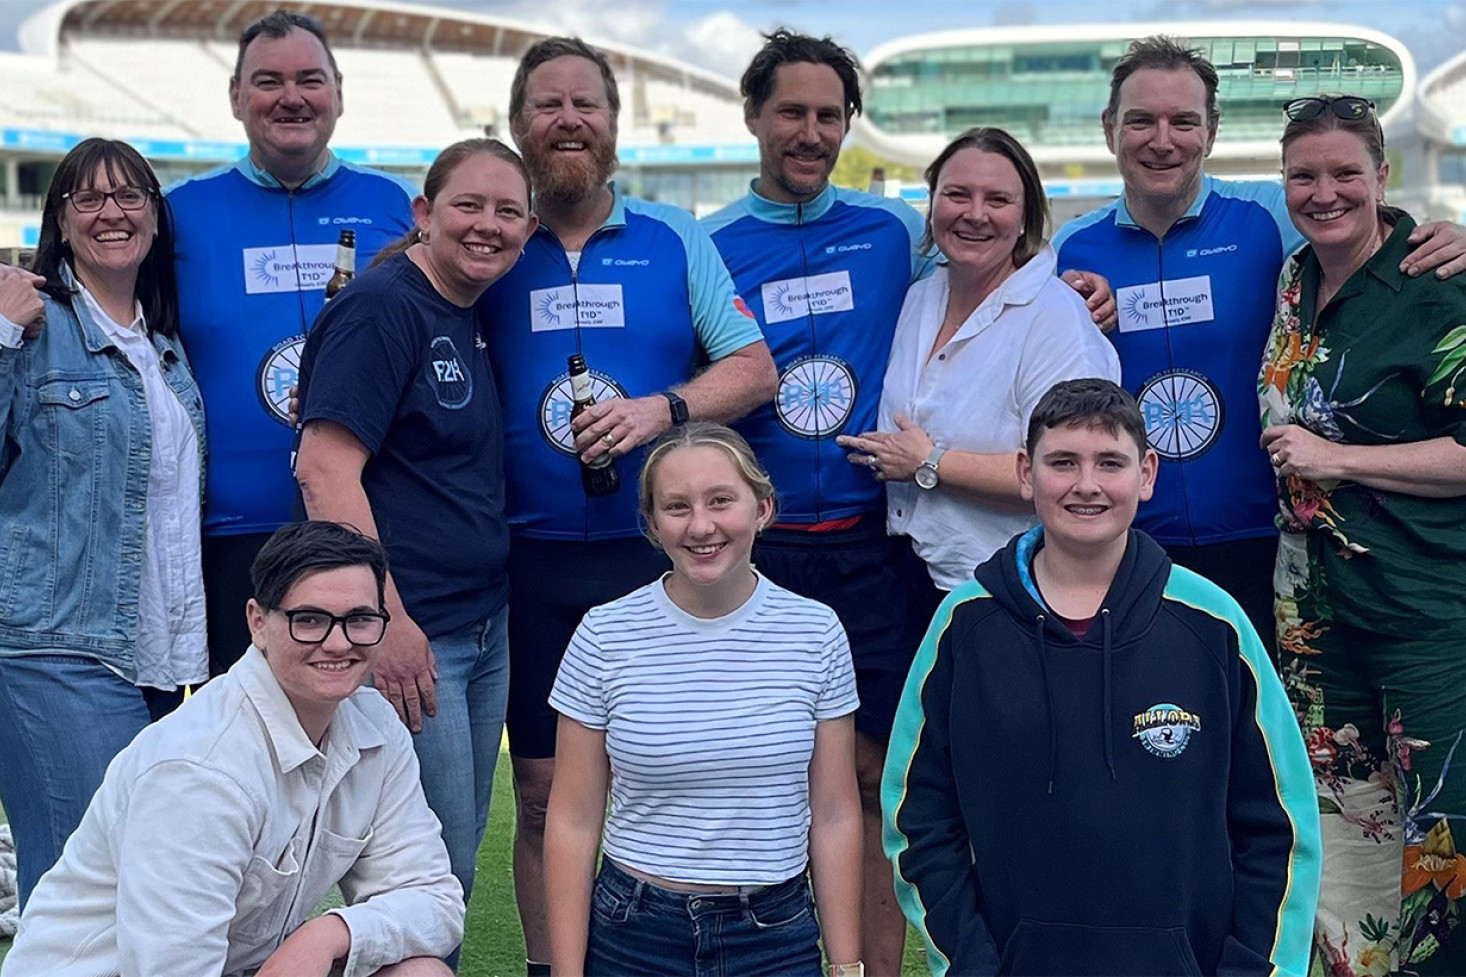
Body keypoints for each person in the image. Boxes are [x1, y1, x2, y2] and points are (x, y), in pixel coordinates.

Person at [702, 34, 1119, 974]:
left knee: (893, 781)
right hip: (770, 557)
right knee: (767, 781)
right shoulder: (734, 246)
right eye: (790, 112)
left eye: (826, 114)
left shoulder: (888, 237)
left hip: (888, 563)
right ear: (755, 116)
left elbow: (1062, 418)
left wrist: (1083, 290)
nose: (808, 131)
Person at [473, 36, 778, 973]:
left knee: (676, 778)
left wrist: (664, 408)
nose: (568, 120)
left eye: (587, 105)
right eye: (548, 105)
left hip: (658, 559)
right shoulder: (491, 239)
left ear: (613, 123)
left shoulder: (671, 236)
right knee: (537, 791)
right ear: (519, 123)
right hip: (529, 557)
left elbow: (756, 368)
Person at [883, 378, 1320, 977]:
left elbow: (1280, 824)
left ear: (1146, 473)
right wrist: (971, 963)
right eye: (1062, 462)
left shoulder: (1214, 625)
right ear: (1024, 472)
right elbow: (917, 815)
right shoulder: (964, 626)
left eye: (1109, 463)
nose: (1085, 484)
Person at [1051, 35, 1466, 651]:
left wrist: (1456, 236)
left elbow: (1355, 218)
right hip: (1130, 542)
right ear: (1110, 128)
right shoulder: (1072, 249)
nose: (1162, 140)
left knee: (1260, 731)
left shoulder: (1270, 216)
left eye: (1183, 122)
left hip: (1268, 543)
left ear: (1211, 132)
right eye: (1141, 120)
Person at [1, 521, 462, 977]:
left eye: (359, 619)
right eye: (310, 620)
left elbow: (436, 900)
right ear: (258, 623)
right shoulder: (199, 768)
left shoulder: (375, 726)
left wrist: (329, 933)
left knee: (420, 973)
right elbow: (171, 969)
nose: (337, 642)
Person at [293, 138, 534, 931]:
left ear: (528, 229)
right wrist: (386, 618)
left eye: (508, 211)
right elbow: (323, 471)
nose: (487, 226)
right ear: (426, 213)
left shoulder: (463, 309)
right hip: (417, 631)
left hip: (479, 620)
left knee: (446, 864)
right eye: (469, 205)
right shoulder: (384, 306)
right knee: (420, 875)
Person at [1259, 94, 1466, 976]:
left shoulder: (1439, 282)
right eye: (1303, 175)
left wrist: (1341, 460)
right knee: (1340, 825)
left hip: (1421, 608)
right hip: (1311, 615)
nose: (1324, 191)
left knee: (1441, 836)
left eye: (1346, 172)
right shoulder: (1295, 278)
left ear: (1384, 177)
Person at [544, 422, 861, 977]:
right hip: (635, 933)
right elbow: (572, 818)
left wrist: (847, 964)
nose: (701, 526)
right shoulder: (604, 634)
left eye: (721, 501)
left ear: (762, 507)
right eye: (676, 507)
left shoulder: (817, 632)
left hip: (775, 935)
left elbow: (834, 813)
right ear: (652, 524)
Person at [167, 9, 414, 675]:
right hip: (233, 536)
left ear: (338, 91)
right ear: (237, 97)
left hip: (371, 523)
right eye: (268, 80)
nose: (291, 97)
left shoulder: (392, 203)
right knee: (249, 756)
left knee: (369, 757)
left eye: (310, 79)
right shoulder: (180, 213)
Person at [0, 138, 206, 911]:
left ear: (155, 214)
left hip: (154, 658)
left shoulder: (163, 346)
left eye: (129, 196)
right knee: (80, 895)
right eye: (87, 198)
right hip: (56, 645)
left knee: (128, 888)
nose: (110, 212)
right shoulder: (36, 321)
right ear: (62, 218)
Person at [839, 127, 1119, 599]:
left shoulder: (1057, 317)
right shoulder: (919, 298)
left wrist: (929, 462)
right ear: (932, 204)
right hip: (908, 574)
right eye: (957, 194)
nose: (975, 214)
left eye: (998, 200)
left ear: (1026, 215)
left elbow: (1074, 470)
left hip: (1007, 589)